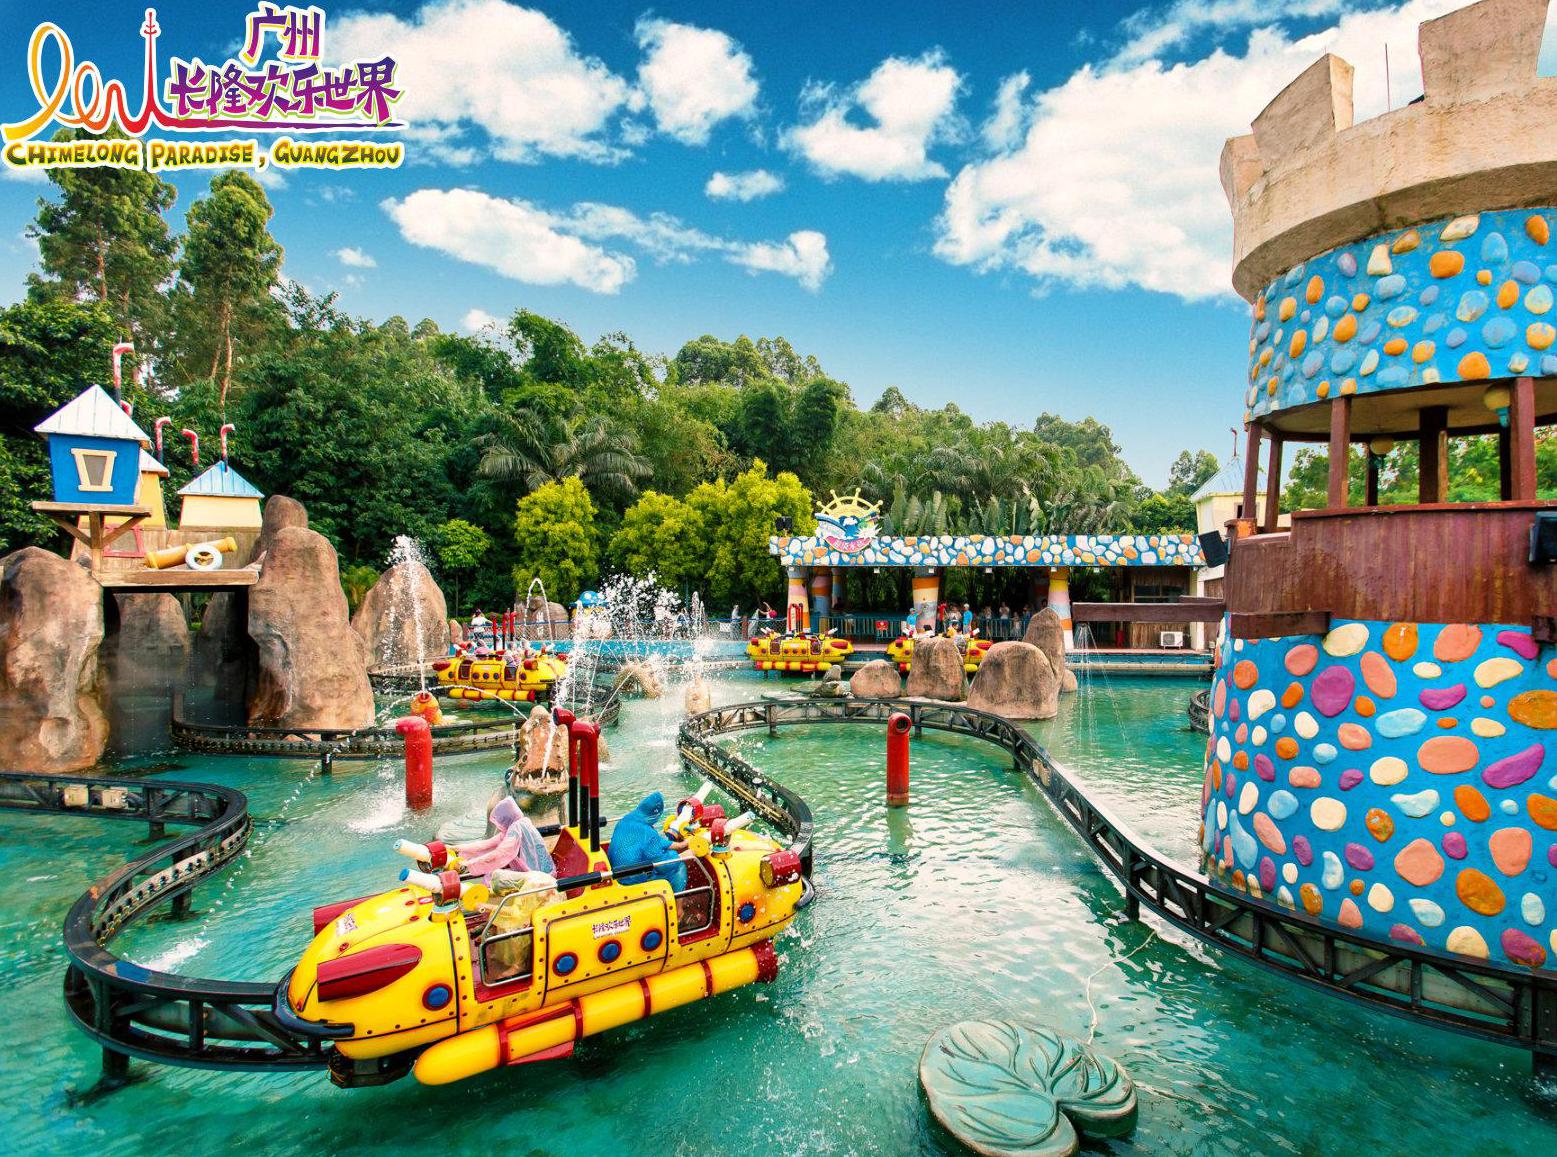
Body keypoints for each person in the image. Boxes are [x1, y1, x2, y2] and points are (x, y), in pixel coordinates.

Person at [452, 797, 554, 881]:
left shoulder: (515, 828)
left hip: (540, 877)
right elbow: (485, 844)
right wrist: (456, 848)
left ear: (505, 818)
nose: (499, 825)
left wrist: (468, 865)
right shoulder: (520, 824)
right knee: (492, 876)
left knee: (494, 877)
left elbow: (501, 854)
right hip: (538, 872)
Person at [607, 792, 687, 891]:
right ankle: (677, 900)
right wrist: (686, 854)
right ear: (656, 814)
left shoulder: (626, 820)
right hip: (631, 883)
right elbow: (663, 866)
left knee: (669, 853)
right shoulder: (647, 833)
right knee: (679, 867)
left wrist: (681, 845)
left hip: (616, 874)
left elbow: (652, 842)